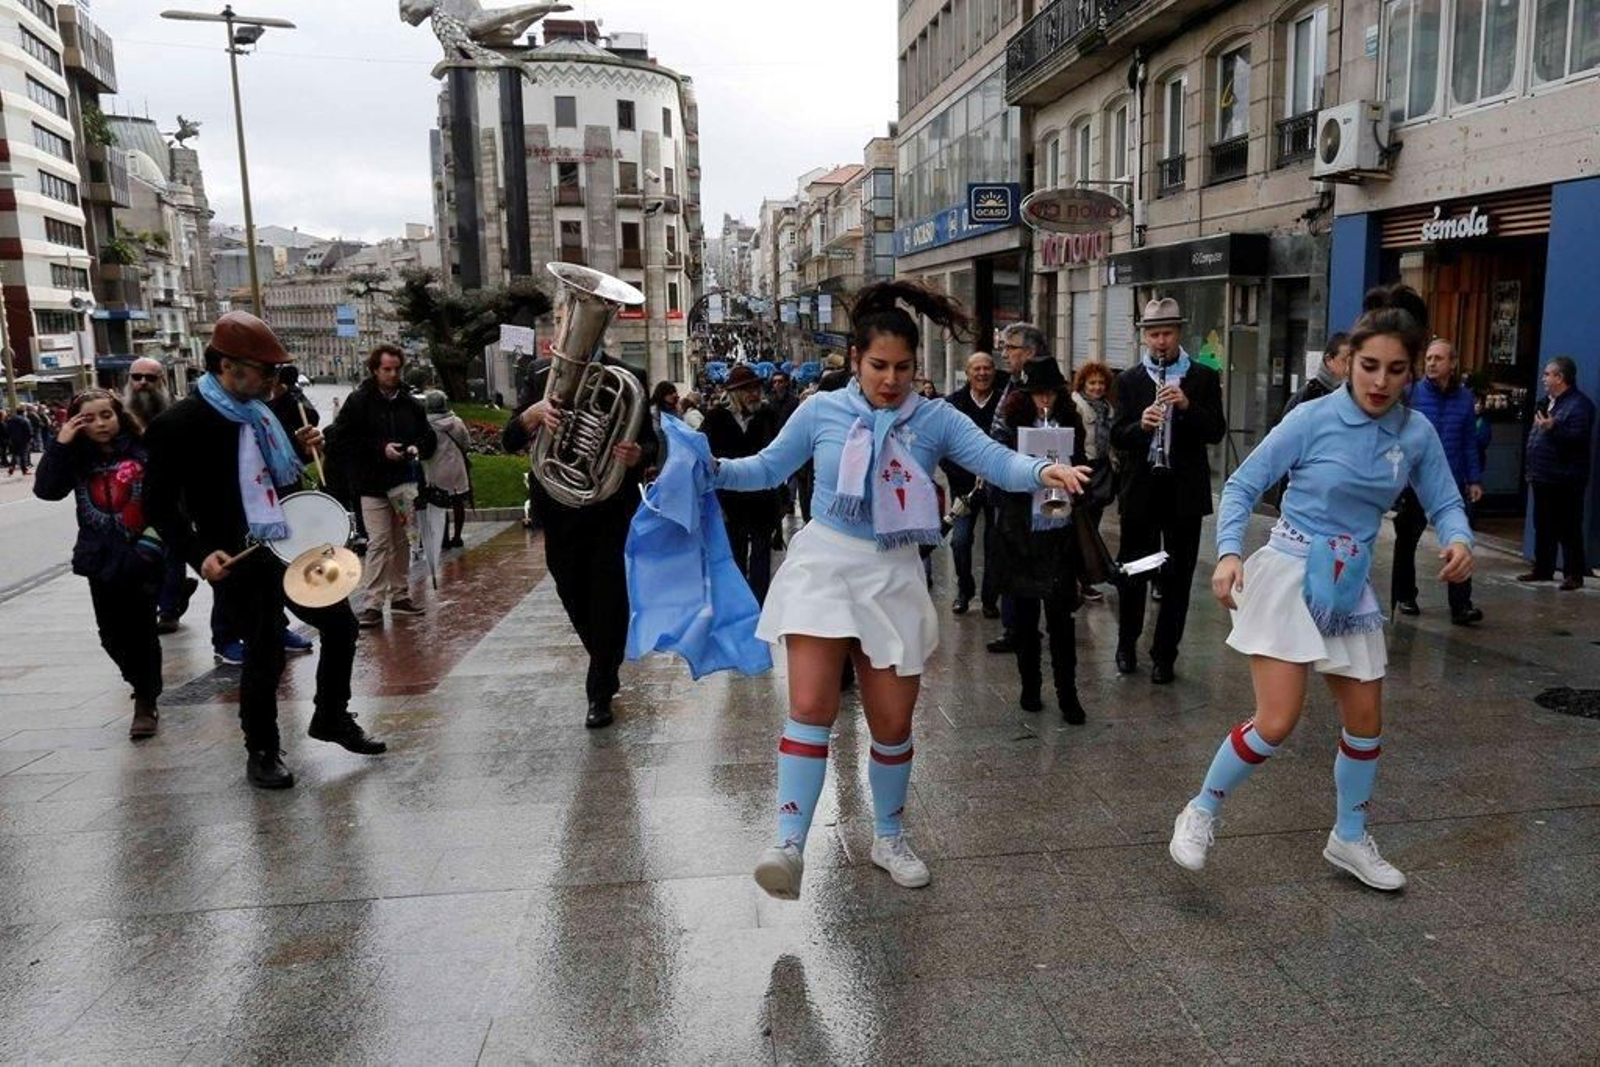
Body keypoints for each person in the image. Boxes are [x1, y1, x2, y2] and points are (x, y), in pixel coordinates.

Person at [710, 281, 1090, 901]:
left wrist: (1042, 469)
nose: (891, 379)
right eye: (878, 366)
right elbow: (767, 468)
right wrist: (711, 466)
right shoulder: (820, 410)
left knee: (891, 723)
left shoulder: (934, 418)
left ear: (917, 365)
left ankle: (888, 836)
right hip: (825, 563)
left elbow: (994, 459)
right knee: (810, 705)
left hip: (893, 571)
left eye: (903, 367)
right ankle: (788, 843)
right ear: (856, 361)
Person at [1168, 284, 1473, 891]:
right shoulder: (1311, 417)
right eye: (1368, 366)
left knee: (1365, 723)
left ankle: (1349, 838)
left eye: (1395, 369)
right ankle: (1201, 808)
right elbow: (1240, 486)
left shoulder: (1415, 434)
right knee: (1277, 721)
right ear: (1346, 361)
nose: (1380, 382)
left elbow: (1444, 496)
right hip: (1288, 571)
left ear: (1412, 371)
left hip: (1349, 582)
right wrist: (1229, 555)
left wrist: (1458, 537)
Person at [144, 312, 384, 789]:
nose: (274, 381)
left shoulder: (265, 414)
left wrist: (303, 448)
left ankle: (331, 716)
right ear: (228, 365)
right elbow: (157, 503)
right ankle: (262, 749)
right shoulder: (181, 423)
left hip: (290, 545)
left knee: (341, 625)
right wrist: (198, 553)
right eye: (265, 371)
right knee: (265, 647)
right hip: (236, 553)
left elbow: (289, 481)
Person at [502, 343, 656, 729]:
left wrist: (638, 455)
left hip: (608, 507)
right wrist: (532, 416)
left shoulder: (628, 376)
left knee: (609, 597)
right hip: (558, 507)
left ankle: (599, 690)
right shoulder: (540, 375)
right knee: (571, 590)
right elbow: (509, 438)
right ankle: (606, 659)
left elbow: (653, 444)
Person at [34, 389, 166, 740]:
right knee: (110, 636)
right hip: (100, 559)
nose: (100, 424)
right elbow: (46, 490)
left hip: (141, 555)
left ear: (119, 415)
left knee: (141, 631)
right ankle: (139, 680)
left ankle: (146, 700)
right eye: (88, 419)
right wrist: (61, 443)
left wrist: (151, 546)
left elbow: (170, 498)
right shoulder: (77, 459)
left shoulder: (144, 450)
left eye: (106, 415)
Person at [1110, 297, 1228, 684]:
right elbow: (1117, 436)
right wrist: (1141, 426)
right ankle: (1127, 644)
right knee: (1134, 572)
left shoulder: (1204, 377)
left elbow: (1215, 431)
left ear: (1180, 333)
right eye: (1154, 334)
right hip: (1141, 493)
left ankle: (1165, 655)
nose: (1161, 341)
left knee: (1177, 578)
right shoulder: (1129, 380)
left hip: (1183, 495)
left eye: (1168, 333)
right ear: (1145, 336)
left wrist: (1189, 406)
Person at [991, 358, 1090, 723]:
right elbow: (997, 471)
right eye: (1036, 393)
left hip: (1057, 532)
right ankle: (1029, 686)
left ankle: (1069, 694)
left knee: (1061, 618)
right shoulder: (1008, 426)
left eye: (1049, 392)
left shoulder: (1070, 421)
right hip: (1021, 533)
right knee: (1025, 619)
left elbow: (1082, 463)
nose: (1043, 400)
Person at [328, 344, 436, 628]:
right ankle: (373, 602)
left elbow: (428, 438)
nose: (392, 374)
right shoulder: (359, 401)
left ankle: (400, 595)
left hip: (403, 482)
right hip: (371, 483)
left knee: (403, 540)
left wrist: (415, 448)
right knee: (379, 541)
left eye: (396, 369)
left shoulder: (410, 403)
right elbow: (341, 439)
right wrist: (380, 450)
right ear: (375, 370)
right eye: (386, 369)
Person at [1390, 339, 1484, 623]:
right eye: (1428, 358)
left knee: (1459, 540)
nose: (1431, 363)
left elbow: (1469, 441)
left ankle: (1461, 605)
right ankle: (1405, 596)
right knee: (1406, 540)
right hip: (1414, 482)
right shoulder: (1410, 394)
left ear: (1452, 364)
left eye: (1438, 358)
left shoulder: (1465, 399)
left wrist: (1474, 479)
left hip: (1451, 481)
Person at [124, 359, 201, 636]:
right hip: (131, 502)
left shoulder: (178, 413)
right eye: (137, 377)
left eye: (150, 378)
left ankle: (168, 611)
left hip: (171, 500)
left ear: (162, 382)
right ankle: (177, 592)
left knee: (171, 554)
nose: (143, 382)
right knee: (144, 558)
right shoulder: (118, 416)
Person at [985, 324, 1047, 654]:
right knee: (1008, 558)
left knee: (1032, 559)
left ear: (1031, 352)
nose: (1004, 353)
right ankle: (1015, 627)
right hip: (1005, 485)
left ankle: (1026, 627)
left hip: (1034, 489)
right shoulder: (1011, 383)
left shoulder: (1045, 387)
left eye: (1011, 348)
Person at [703, 364, 781, 603]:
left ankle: (758, 605)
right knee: (734, 556)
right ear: (735, 394)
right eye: (748, 390)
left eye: (757, 388)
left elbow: (780, 453)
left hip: (763, 500)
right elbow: (704, 457)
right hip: (730, 502)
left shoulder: (768, 416)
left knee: (760, 555)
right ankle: (738, 604)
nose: (755, 394)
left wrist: (783, 497)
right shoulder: (716, 419)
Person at [1519, 355, 1594, 590]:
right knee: (1543, 524)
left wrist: (1553, 428)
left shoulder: (1580, 406)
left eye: (1548, 374)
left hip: (1565, 478)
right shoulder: (1548, 402)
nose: (1543, 378)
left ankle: (1574, 573)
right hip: (1542, 475)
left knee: (1568, 525)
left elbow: (1578, 440)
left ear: (1560, 377)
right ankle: (1543, 568)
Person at [941, 351, 1003, 617]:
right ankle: (964, 590)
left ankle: (990, 598)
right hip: (964, 489)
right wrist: (966, 472)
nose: (982, 373)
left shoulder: (1005, 401)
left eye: (987, 368)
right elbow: (943, 448)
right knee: (960, 541)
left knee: (995, 543)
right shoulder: (953, 404)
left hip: (998, 485)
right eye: (976, 368)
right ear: (967, 373)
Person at [1070, 360, 1117, 603]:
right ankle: (1078, 579)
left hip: (1102, 470)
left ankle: (1085, 579)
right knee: (1079, 528)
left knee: (1092, 528)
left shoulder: (1108, 408)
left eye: (1101, 383)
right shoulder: (1075, 405)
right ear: (1083, 383)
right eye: (1092, 382)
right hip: (1083, 468)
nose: (1097, 387)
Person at [421, 390, 472, 550]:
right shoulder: (457, 422)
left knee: (437, 505)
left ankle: (442, 538)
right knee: (458, 503)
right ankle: (457, 537)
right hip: (456, 469)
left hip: (435, 469)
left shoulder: (426, 425)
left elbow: (423, 448)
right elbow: (466, 444)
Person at [1283, 332, 1352, 417]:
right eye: (1345, 361)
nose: (1350, 368)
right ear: (1329, 360)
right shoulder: (1306, 397)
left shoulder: (1355, 398)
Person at [5, 405, 33, 475]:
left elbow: (7, 430)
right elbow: (29, 430)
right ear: (24, 412)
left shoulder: (11, 419)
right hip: (23, 440)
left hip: (13, 439)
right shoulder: (25, 419)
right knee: (23, 454)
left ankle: (12, 466)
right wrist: (30, 438)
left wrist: (9, 438)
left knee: (15, 454)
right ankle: (24, 470)